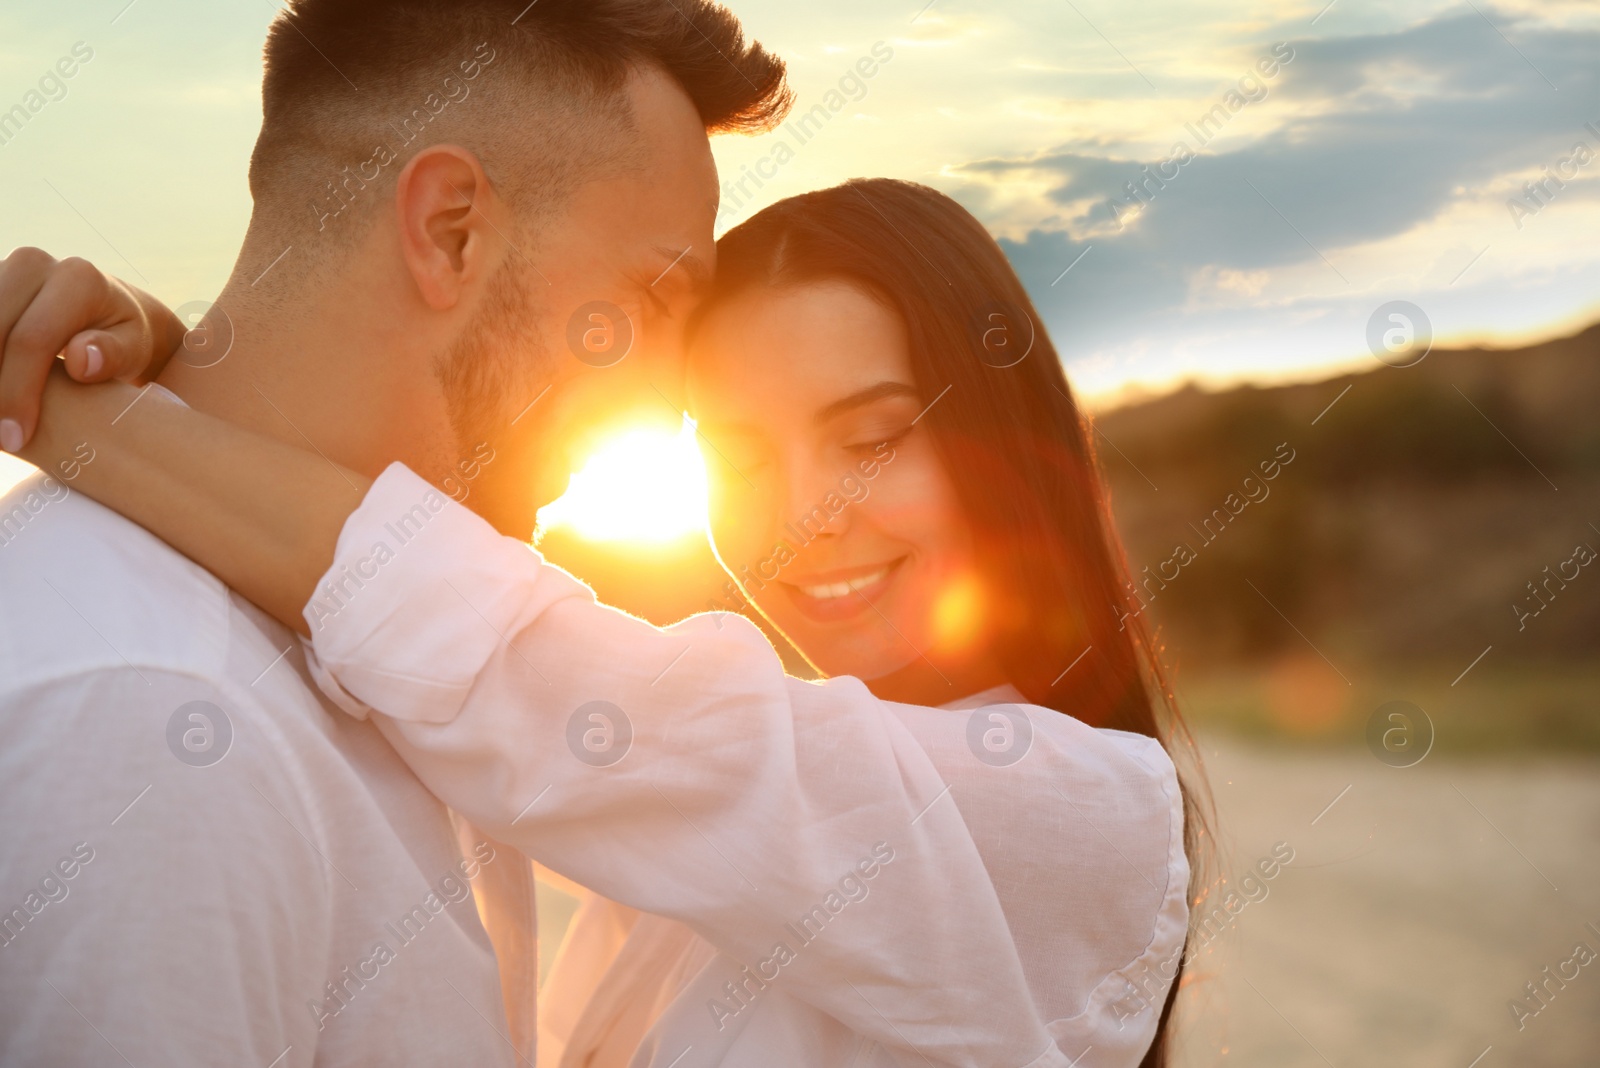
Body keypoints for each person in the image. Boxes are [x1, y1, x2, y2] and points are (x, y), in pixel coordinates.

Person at [0, 1, 1107, 1065]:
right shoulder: (149, 714)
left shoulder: (413, 670)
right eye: (657, 295)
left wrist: (109, 399)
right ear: (451, 231)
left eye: (869, 438)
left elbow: (510, 658)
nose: (659, 399)